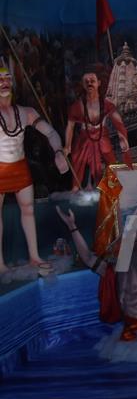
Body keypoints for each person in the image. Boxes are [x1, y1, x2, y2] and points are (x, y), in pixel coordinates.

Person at [55, 206, 137, 346]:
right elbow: (88, 258)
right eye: (136, 238)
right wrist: (72, 226)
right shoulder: (117, 268)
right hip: (132, 331)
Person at [0, 64, 69, 274]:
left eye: (7, 78)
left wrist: (58, 152)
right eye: (0, 79)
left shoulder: (26, 112)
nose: (4, 82)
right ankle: (0, 265)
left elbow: (51, 133)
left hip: (20, 168)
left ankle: (34, 257)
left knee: (28, 211)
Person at [64, 68, 130, 191]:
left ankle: (112, 189)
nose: (89, 83)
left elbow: (118, 123)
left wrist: (122, 137)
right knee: (78, 160)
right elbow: (70, 126)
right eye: (86, 81)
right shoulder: (77, 106)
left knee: (110, 162)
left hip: (102, 137)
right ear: (83, 84)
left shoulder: (107, 104)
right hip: (84, 138)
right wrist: (67, 146)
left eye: (92, 81)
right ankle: (76, 189)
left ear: (98, 82)